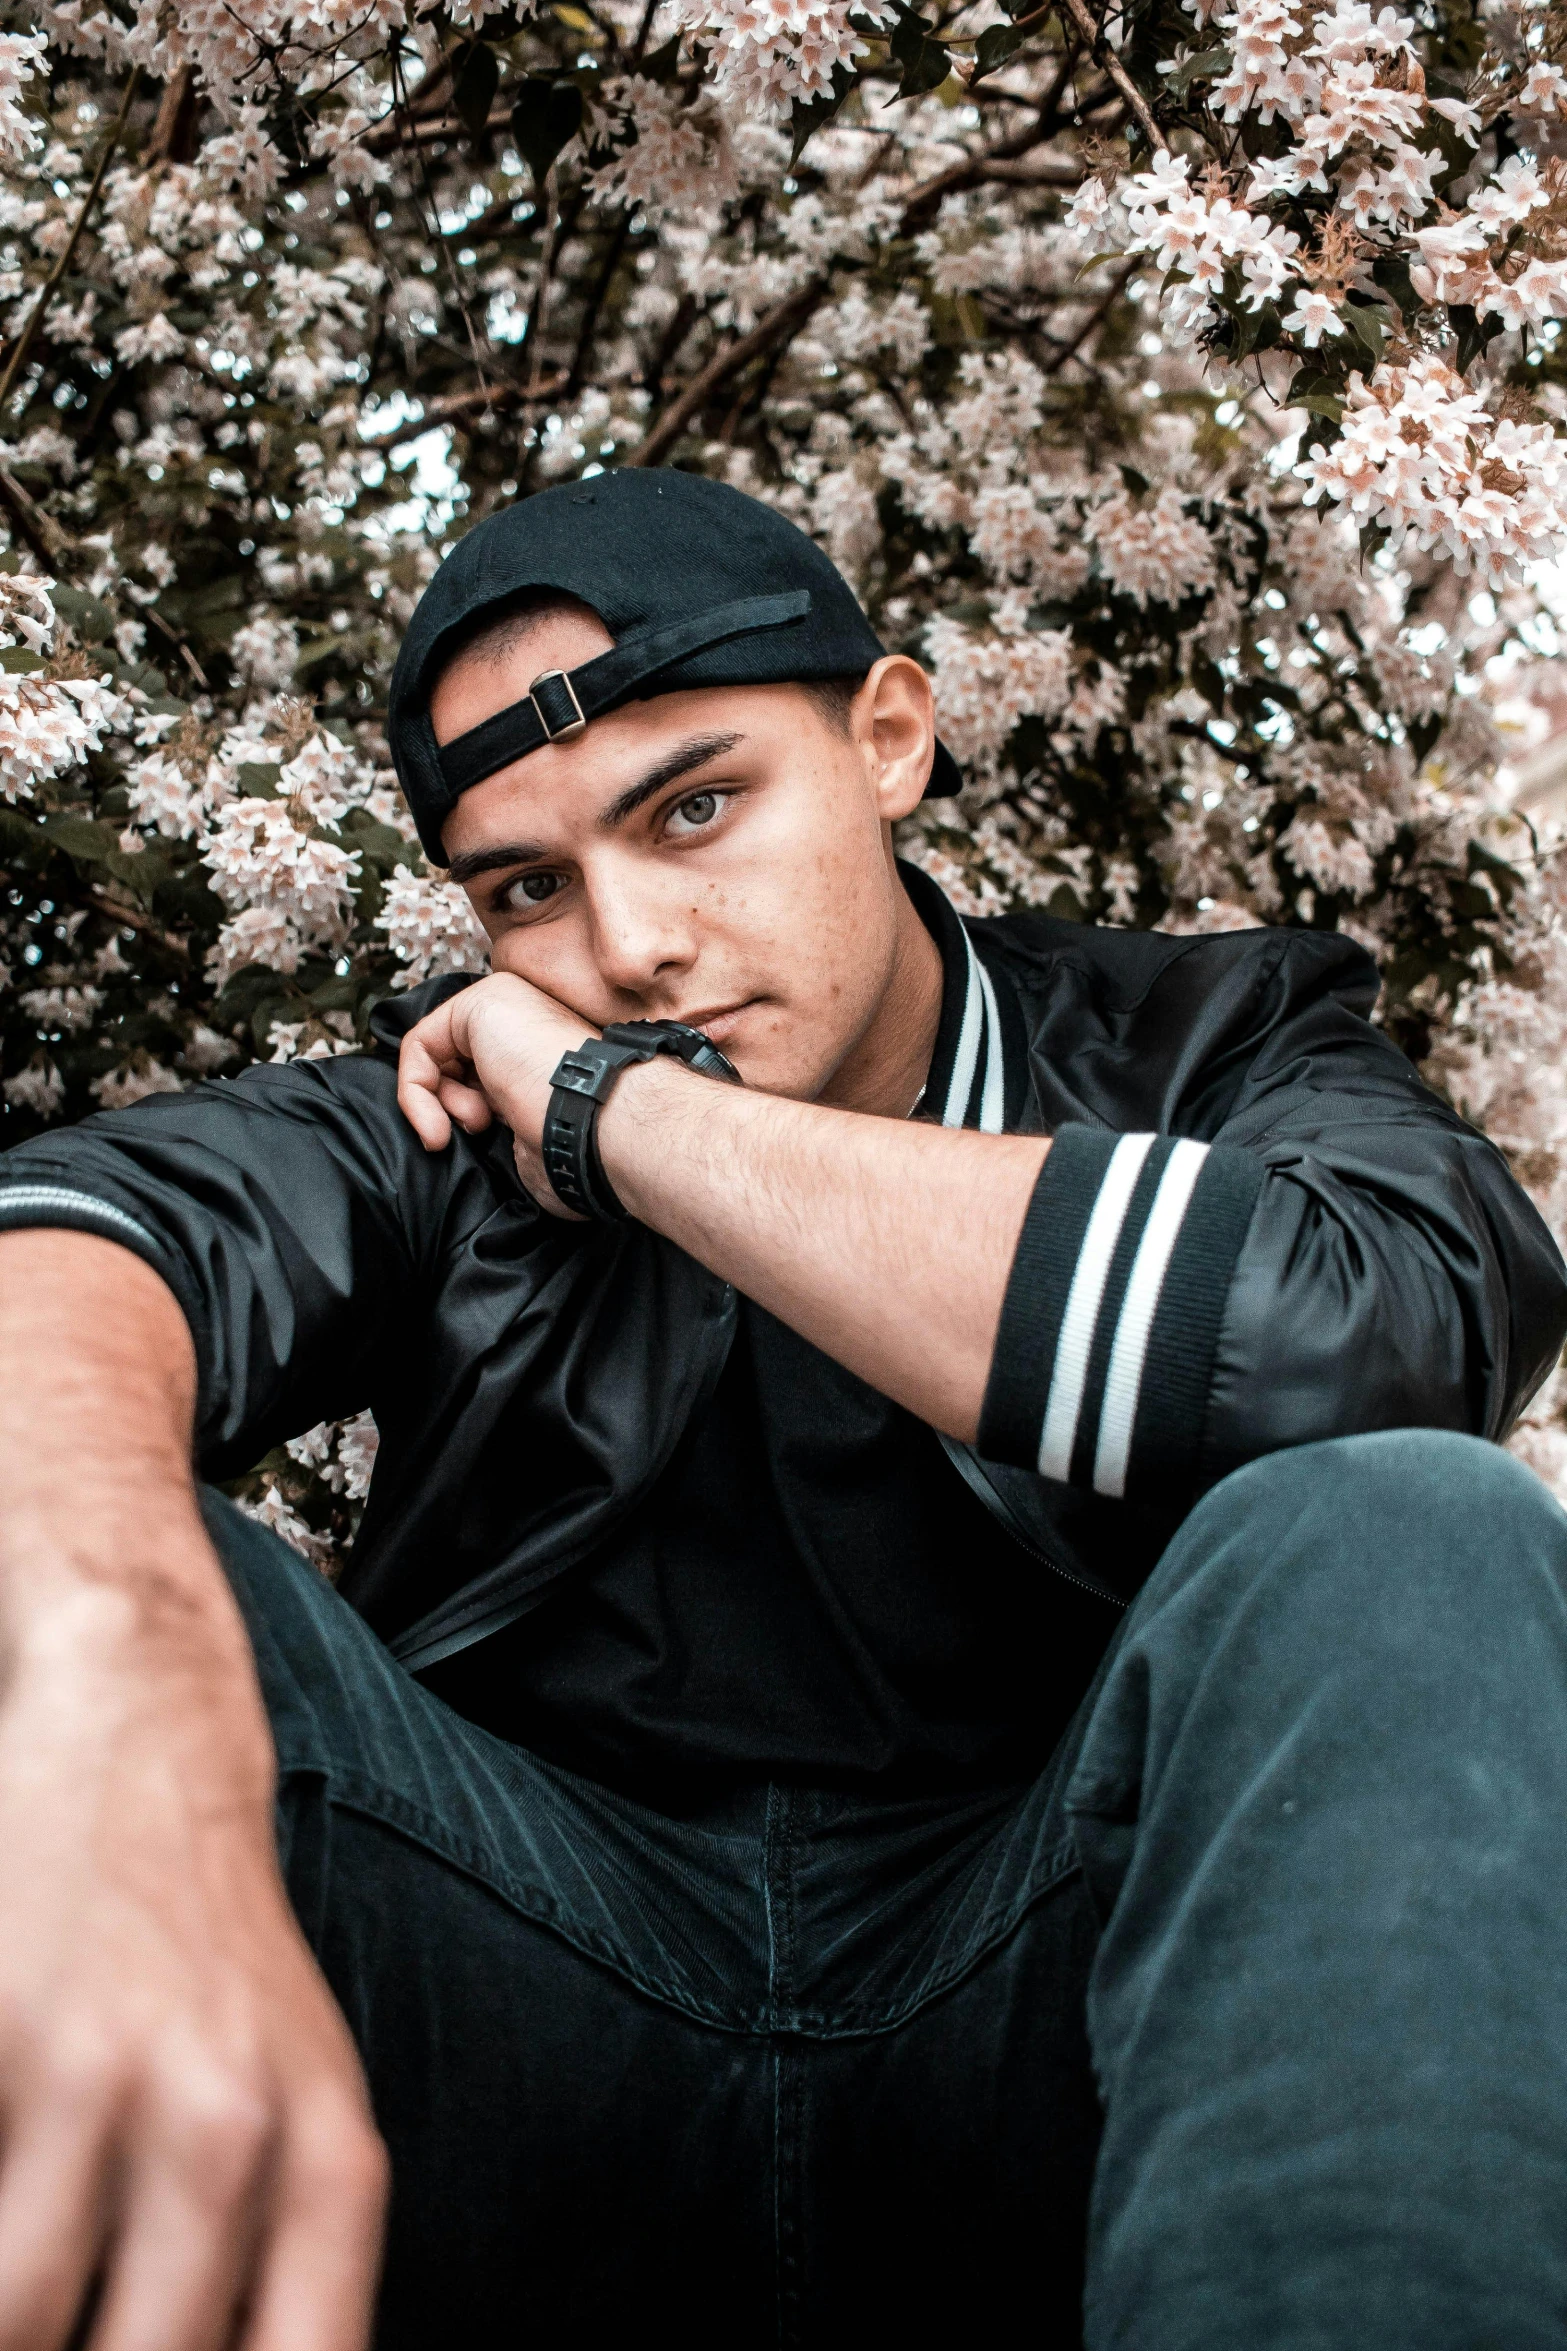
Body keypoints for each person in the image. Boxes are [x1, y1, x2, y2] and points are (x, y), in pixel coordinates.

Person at [1, 467, 1565, 2351]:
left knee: (1406, 1529)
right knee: (90, 1554)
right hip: (517, 2015)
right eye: (529, 889)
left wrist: (628, 1121)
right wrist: (118, 1666)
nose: (632, 946)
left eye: (697, 806)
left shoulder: (1203, 1041)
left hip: (1053, 2010)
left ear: (889, 738)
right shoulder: (440, 1123)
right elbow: (80, 1240)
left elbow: (1367, 1321)